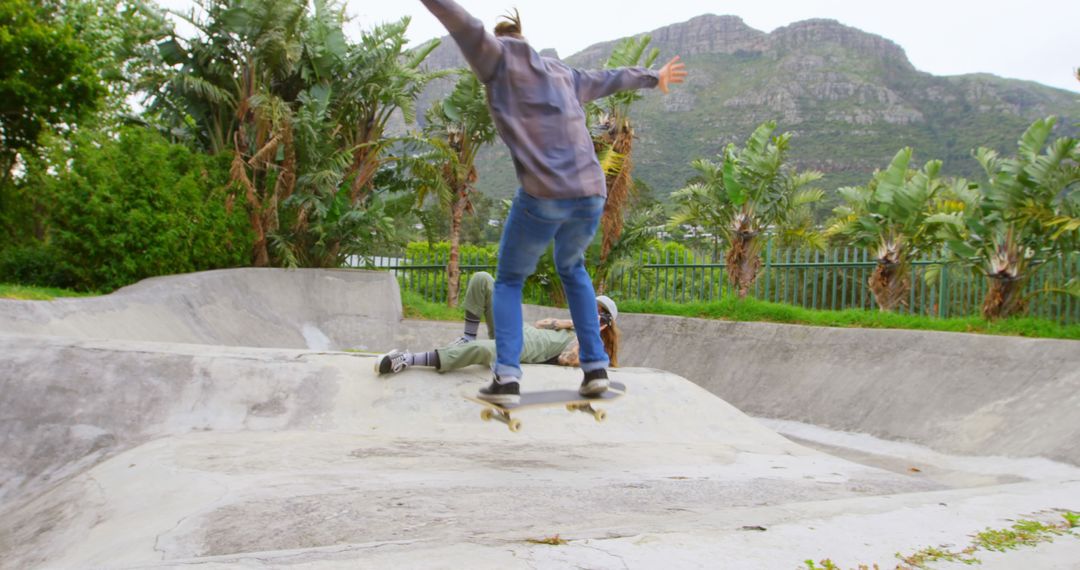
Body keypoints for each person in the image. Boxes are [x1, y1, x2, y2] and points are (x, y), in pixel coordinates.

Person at [419, 0, 686, 404]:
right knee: (573, 267)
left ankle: (507, 378)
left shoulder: (494, 57)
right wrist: (655, 76)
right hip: (591, 194)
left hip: (544, 193)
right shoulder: (562, 72)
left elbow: (459, 19)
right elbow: (610, 77)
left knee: (509, 280)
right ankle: (595, 369)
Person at [375, 272, 620, 376]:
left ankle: (407, 360)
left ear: (606, 324)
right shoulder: (570, 325)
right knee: (485, 280)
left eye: (599, 314)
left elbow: (567, 360)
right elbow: (540, 324)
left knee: (484, 350)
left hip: (520, 347)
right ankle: (467, 336)